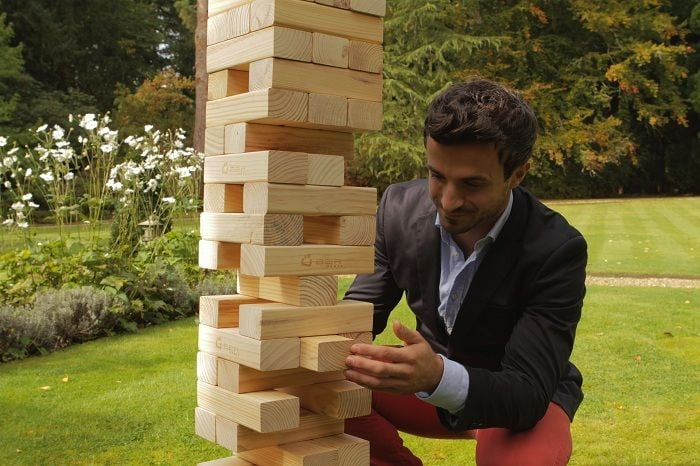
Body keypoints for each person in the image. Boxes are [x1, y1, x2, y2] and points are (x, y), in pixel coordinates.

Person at [343, 78, 587, 466]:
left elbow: (526, 393)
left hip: (519, 398)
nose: (449, 201)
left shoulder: (556, 250)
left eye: (472, 184)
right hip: (426, 380)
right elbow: (357, 316)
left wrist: (438, 377)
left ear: (517, 174)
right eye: (437, 176)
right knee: (317, 385)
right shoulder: (397, 209)